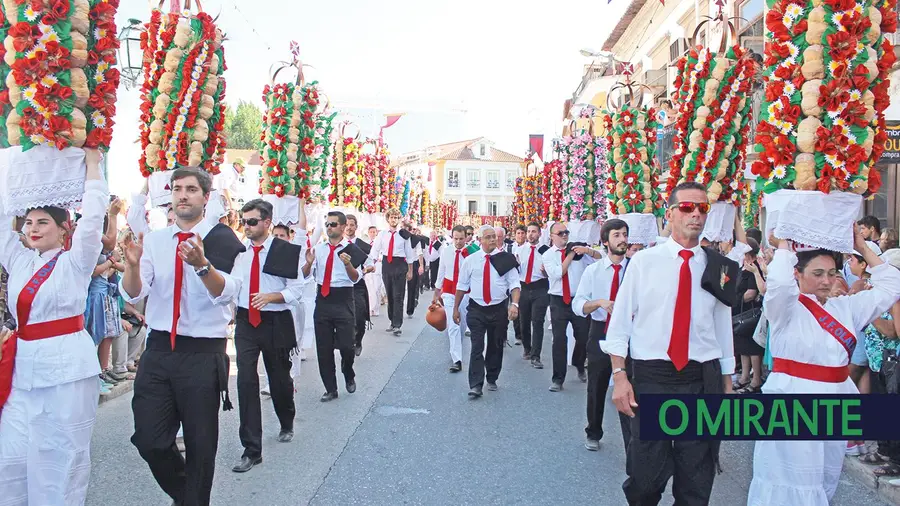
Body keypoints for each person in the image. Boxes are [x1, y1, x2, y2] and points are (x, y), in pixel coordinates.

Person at [604, 181, 739, 505]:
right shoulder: (644, 262)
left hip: (701, 378)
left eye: (702, 208)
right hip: (653, 378)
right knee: (646, 479)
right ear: (670, 214)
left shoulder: (720, 267)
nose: (696, 214)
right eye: (687, 207)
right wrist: (620, 378)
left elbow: (723, 326)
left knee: (696, 481)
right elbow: (620, 324)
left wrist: (727, 381)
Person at [747, 228, 900, 504]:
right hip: (792, 402)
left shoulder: (847, 308)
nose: (826, 281)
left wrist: (863, 248)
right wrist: (784, 243)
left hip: (836, 403)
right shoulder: (785, 307)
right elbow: (779, 283)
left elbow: (892, 287)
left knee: (825, 480)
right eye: (817, 274)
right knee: (792, 482)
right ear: (798, 274)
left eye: (832, 273)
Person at [122, 167, 245, 506]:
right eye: (177, 189)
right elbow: (134, 293)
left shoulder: (223, 239)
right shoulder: (157, 240)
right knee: (150, 439)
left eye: (191, 189)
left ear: (207, 197)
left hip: (202, 353)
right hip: (159, 350)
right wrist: (131, 266)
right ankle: (186, 496)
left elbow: (227, 293)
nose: (182, 195)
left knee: (200, 444)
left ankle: (194, 499)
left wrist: (202, 265)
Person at [0, 149, 106, 505]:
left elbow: (93, 219)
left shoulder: (76, 261)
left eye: (42, 222)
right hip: (23, 369)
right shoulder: (17, 259)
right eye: (28, 222)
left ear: (64, 229)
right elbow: (1, 220)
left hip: (68, 372)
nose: (32, 229)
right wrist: (8, 168)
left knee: (61, 459)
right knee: (10, 458)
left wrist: (93, 166)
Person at [229, 199, 304, 473]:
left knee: (279, 378)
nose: (246, 226)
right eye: (244, 221)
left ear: (267, 222)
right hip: (247, 321)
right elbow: (233, 285)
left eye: (252, 221)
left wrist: (273, 296)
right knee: (246, 381)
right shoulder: (240, 253)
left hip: (275, 320)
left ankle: (287, 420)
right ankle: (252, 449)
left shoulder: (284, 251)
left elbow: (297, 289)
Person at [573, 218, 630, 452]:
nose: (623, 239)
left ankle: (633, 439)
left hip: (629, 336)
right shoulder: (593, 271)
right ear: (605, 241)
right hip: (601, 333)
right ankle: (593, 431)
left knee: (631, 385)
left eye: (625, 234)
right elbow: (578, 304)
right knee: (596, 385)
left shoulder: (636, 268)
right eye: (617, 235)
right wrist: (598, 303)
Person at [302, 211, 365, 402]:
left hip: (343, 298)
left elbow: (355, 278)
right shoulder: (319, 249)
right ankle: (330, 388)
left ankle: (348, 372)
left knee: (347, 345)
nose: (329, 227)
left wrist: (348, 265)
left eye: (333, 224)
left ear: (344, 227)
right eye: (327, 224)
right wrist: (308, 263)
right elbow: (305, 275)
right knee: (324, 347)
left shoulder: (352, 250)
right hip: (323, 298)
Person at [453, 225, 520, 398]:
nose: (492, 240)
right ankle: (476, 384)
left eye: (494, 237)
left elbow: (514, 284)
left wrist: (515, 305)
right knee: (477, 346)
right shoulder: (471, 261)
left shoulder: (506, 259)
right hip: (477, 309)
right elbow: (461, 286)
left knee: (495, 345)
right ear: (480, 240)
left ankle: (492, 376)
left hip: (498, 309)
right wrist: (455, 309)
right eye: (488, 237)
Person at [543, 221, 601, 391]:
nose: (564, 235)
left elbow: (600, 259)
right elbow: (557, 273)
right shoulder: (548, 255)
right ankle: (558, 379)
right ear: (552, 236)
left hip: (578, 300)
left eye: (566, 232)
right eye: (560, 233)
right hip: (558, 300)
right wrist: (569, 255)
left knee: (583, 336)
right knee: (559, 340)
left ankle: (579, 362)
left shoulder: (579, 250)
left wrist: (587, 250)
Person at [371, 209, 414, 336]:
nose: (393, 219)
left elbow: (409, 254)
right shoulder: (382, 234)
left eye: (396, 217)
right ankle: (392, 320)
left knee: (398, 296)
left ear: (399, 219)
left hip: (400, 265)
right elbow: (375, 250)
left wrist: (410, 271)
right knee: (390, 295)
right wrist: (370, 264)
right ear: (388, 219)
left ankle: (397, 324)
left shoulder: (404, 234)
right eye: (391, 217)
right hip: (387, 265)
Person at [432, 225, 470, 372]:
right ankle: (457, 359)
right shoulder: (446, 252)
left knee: (461, 324)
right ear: (452, 237)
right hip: (448, 291)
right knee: (453, 325)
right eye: (456, 238)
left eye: (461, 239)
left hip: (466, 293)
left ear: (466, 237)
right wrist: (436, 294)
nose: (459, 242)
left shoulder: (471, 253)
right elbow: (441, 273)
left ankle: (457, 347)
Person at [515, 222, 550, 368]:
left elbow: (553, 272)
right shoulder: (520, 250)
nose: (530, 234)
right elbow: (516, 271)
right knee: (524, 321)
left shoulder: (546, 251)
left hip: (540, 287)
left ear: (539, 234)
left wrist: (546, 272)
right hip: (523, 287)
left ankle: (536, 355)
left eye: (534, 231)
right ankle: (527, 348)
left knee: (537, 321)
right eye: (528, 231)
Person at [345, 214, 374, 356]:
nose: (349, 228)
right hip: (342, 285)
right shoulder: (338, 244)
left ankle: (358, 339)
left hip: (358, 285)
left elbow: (371, 265)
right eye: (347, 225)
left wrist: (364, 270)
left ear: (356, 227)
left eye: (352, 225)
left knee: (360, 314)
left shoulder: (363, 246)